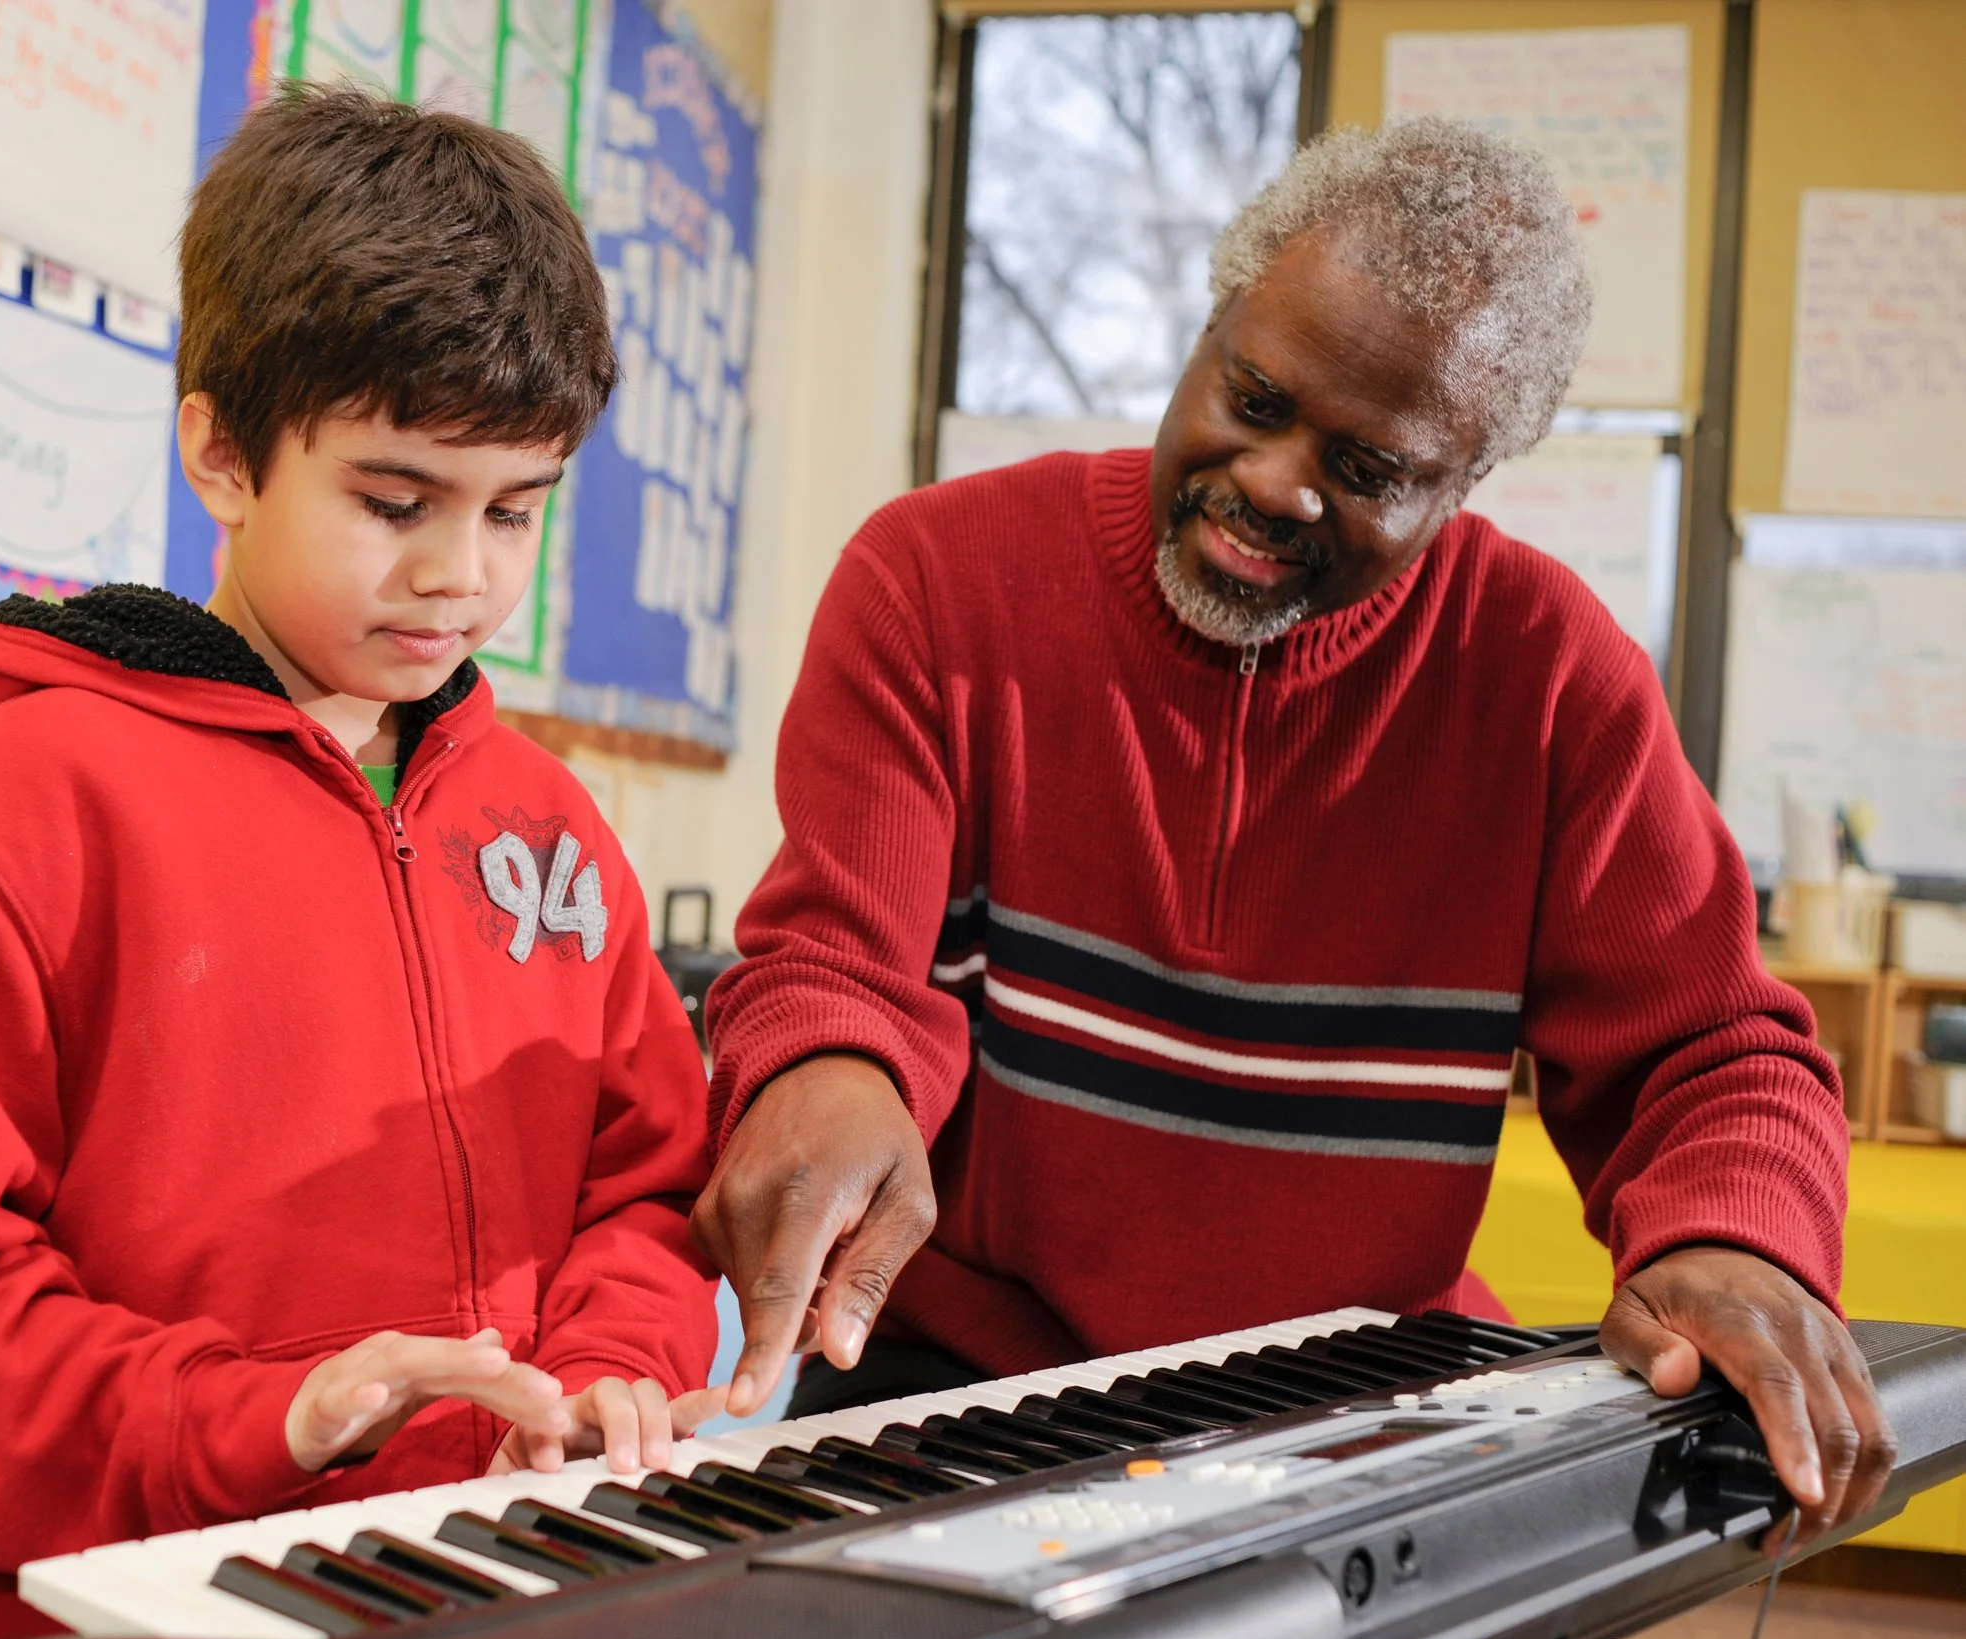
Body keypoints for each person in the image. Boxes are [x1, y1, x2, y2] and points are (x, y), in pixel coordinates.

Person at [695, 117, 1894, 1546]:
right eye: (1254, 397)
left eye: (1369, 468)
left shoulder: (1553, 684)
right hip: (964, 1378)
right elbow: (836, 959)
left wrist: (1733, 1236)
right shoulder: (939, 580)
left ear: (1461, 484)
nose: (1274, 482)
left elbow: (1717, 1051)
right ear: (1210, 323)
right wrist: (827, 1066)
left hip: (1352, 1399)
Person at [0, 86, 720, 1639]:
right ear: (221, 454)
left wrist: (618, 1356)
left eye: (515, 511)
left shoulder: (549, 824)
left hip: (486, 1602)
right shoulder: (24, 811)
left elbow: (648, 1189)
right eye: (393, 502)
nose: (459, 574)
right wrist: (256, 1418)